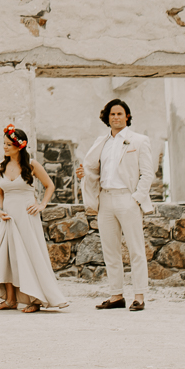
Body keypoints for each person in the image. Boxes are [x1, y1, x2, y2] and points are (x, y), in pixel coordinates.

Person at [76, 98, 154, 311]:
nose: (116, 117)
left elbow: (147, 173)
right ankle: (116, 295)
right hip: (106, 199)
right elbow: (95, 170)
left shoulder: (139, 141)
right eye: (112, 114)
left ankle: (139, 296)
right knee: (110, 250)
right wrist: (85, 174)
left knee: (136, 249)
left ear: (127, 116)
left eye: (120, 113)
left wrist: (136, 198)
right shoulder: (101, 142)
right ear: (107, 117)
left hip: (127, 198)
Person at [0, 126, 68, 313]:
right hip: (8, 217)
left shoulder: (32, 165)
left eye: (9, 144)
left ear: (19, 146)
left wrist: (42, 205)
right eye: (4, 144)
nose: (5, 147)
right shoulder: (0, 166)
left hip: (26, 216)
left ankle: (36, 299)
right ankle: (10, 300)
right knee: (8, 256)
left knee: (30, 255)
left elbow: (49, 185)